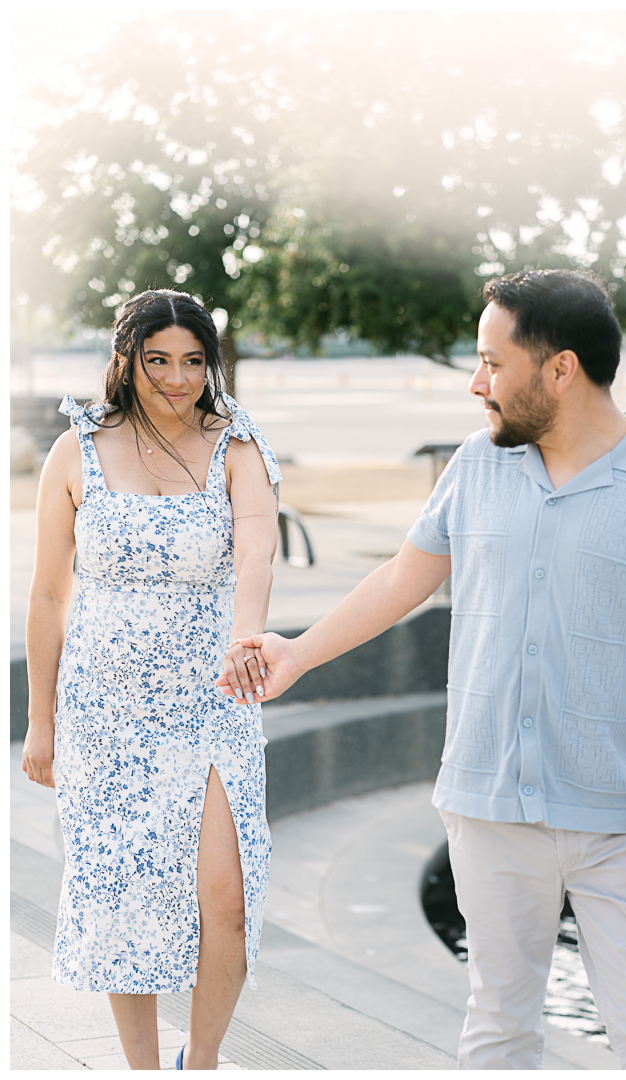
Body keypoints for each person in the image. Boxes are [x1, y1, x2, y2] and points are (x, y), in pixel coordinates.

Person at [217, 270, 626, 1070]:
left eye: (491, 361)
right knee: (499, 1029)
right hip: (485, 803)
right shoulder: (478, 466)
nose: (476, 383)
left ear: (561, 368)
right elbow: (402, 579)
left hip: (624, 817)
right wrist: (297, 652)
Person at [22, 289, 281, 1071]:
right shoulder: (75, 450)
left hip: (211, 702)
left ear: (213, 364)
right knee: (121, 901)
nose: (177, 379)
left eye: (194, 362)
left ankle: (197, 1064)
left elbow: (259, 553)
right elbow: (45, 594)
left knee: (225, 902)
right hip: (104, 710)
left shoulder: (237, 445)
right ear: (126, 359)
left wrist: (247, 637)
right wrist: (41, 722)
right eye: (158, 360)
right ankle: (141, 1069)